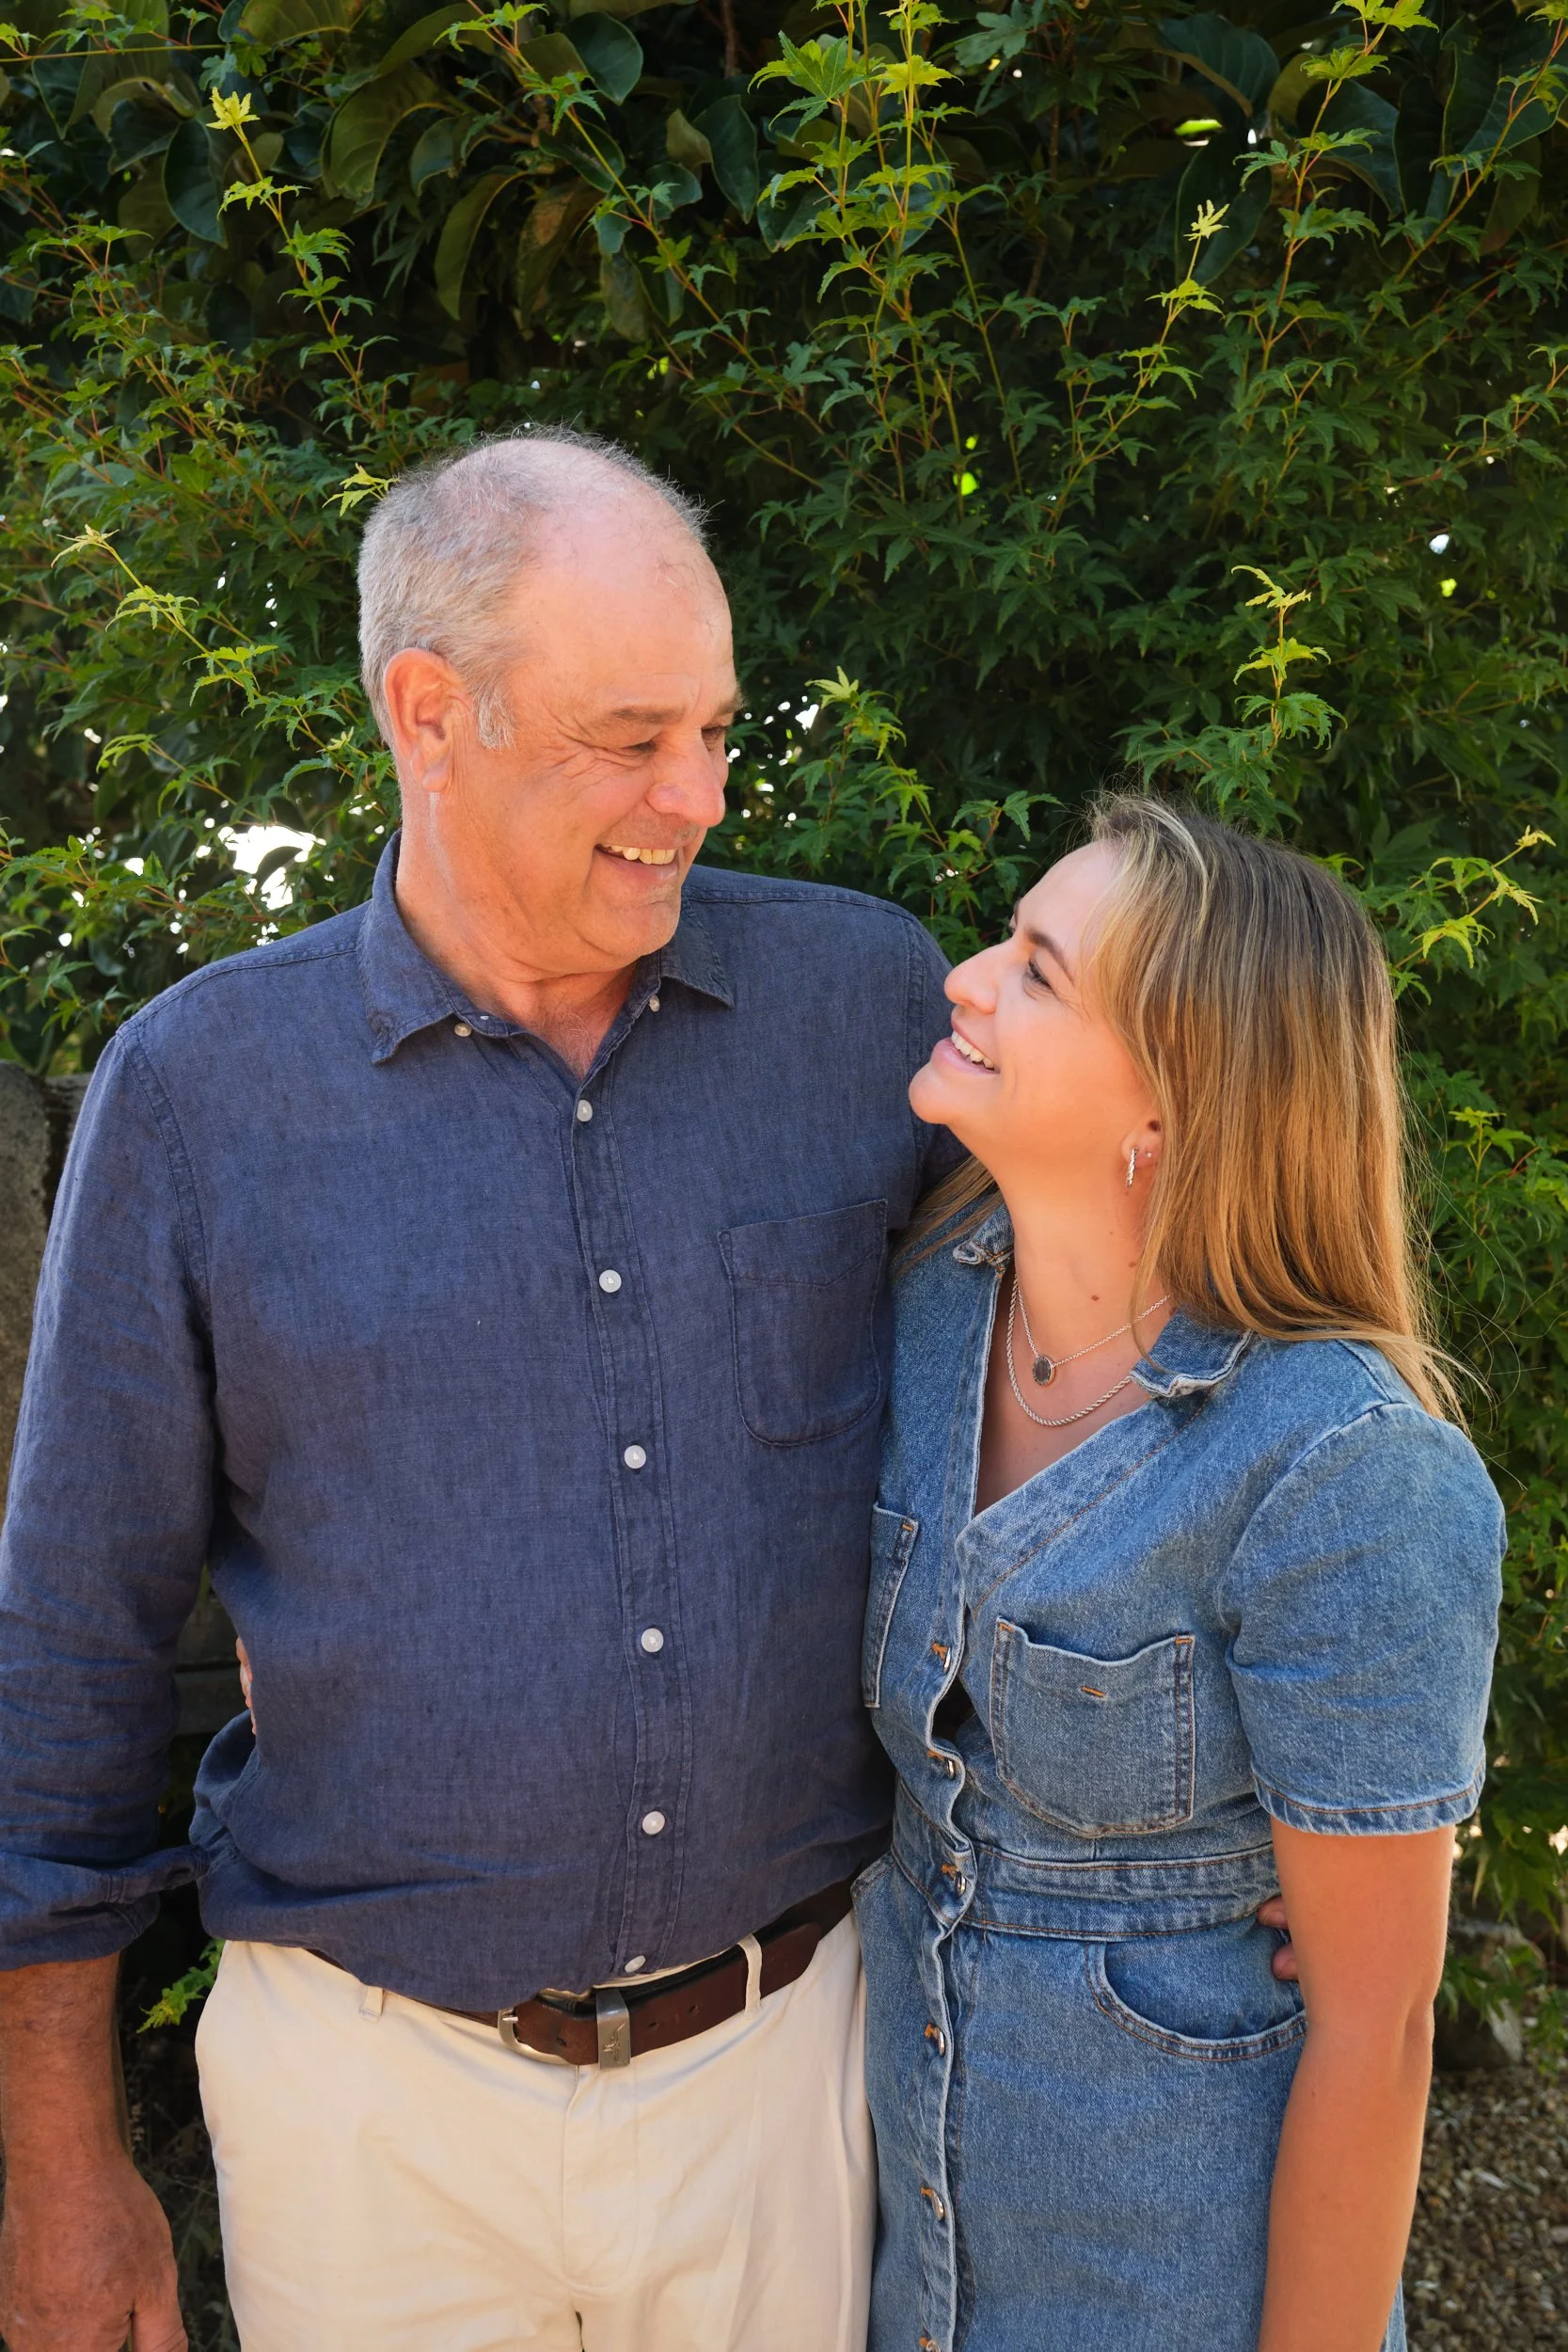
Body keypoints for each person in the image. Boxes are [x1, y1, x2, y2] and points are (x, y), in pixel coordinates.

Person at [0, 429, 967, 2352]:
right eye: (630, 736)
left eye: (714, 727)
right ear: (425, 710)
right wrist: (58, 2163)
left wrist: (1224, 1825)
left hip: (785, 2071)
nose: (693, 796)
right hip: (370, 2112)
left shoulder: (864, 1012)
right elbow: (70, 1650)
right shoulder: (198, 1098)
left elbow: (1050, 1408)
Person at [856, 796, 1504, 2352]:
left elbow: (1376, 2027)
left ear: (1171, 1100)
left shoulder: (1341, 1466)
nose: (961, 975)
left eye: (1036, 970)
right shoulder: (926, 1309)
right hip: (912, 2276)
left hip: (1174, 2295)